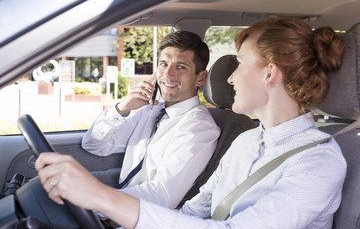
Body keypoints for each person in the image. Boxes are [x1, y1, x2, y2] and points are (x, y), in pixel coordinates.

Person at [35, 18, 347, 229]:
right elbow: (191, 213)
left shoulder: (318, 162)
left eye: (240, 64)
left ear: (269, 73)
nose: (230, 77)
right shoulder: (246, 143)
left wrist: (100, 197)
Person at [81, 30, 220, 209]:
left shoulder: (199, 128)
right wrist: (123, 107)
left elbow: (161, 195)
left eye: (180, 67)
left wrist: (94, 200)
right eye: (163, 64)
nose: (168, 75)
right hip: (119, 211)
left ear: (200, 78)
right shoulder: (151, 112)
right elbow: (94, 144)